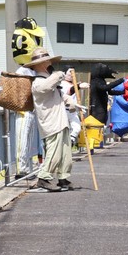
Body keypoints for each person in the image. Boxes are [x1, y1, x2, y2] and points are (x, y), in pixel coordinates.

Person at [24, 47, 79, 192]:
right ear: (42, 64)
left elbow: (60, 94)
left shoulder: (50, 80)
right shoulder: (38, 81)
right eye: (47, 60)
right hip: (51, 122)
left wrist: (71, 102)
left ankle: (63, 178)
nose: (49, 62)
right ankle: (44, 178)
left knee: (65, 152)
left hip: (60, 120)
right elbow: (44, 88)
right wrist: (57, 75)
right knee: (54, 151)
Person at [10, 17, 46, 179]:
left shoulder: (30, 71)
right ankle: (21, 169)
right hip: (23, 111)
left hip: (31, 111)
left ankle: (25, 167)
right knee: (22, 140)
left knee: (28, 140)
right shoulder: (22, 72)